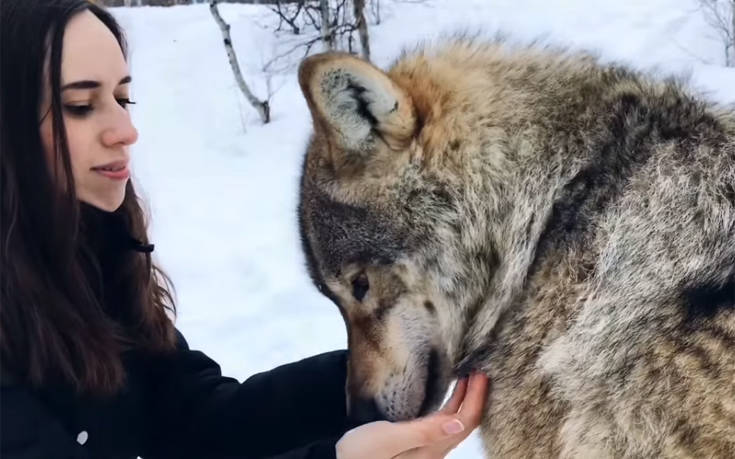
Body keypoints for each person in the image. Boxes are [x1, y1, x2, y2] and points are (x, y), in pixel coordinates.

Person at [0, 1, 489, 458]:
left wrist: (371, 376)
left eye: (122, 97)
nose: (125, 130)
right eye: (81, 105)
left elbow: (195, 419)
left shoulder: (95, 256)